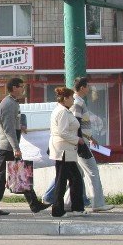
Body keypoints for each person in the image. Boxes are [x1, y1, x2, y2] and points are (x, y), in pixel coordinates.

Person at [0, 77, 51, 216]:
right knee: (2, 176)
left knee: (22, 173)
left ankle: (35, 204)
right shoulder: (8, 104)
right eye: (21, 86)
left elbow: (10, 124)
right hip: (8, 146)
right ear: (14, 87)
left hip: (10, 145)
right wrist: (15, 148)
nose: (23, 89)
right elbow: (8, 129)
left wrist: (20, 126)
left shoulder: (13, 102)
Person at [71, 77, 113, 212]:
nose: (89, 89)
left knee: (77, 174)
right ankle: (98, 203)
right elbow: (76, 123)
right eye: (87, 87)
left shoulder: (78, 101)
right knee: (92, 171)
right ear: (82, 87)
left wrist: (91, 137)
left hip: (81, 141)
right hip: (81, 144)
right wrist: (81, 141)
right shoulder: (77, 102)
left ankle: (67, 202)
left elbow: (81, 125)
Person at [49, 87, 87, 217]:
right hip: (63, 150)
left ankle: (77, 208)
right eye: (72, 98)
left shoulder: (64, 111)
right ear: (65, 98)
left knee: (75, 179)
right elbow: (62, 132)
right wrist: (78, 140)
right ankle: (58, 210)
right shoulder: (62, 112)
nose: (73, 100)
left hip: (67, 150)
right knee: (63, 180)